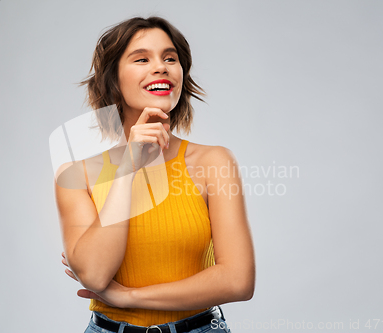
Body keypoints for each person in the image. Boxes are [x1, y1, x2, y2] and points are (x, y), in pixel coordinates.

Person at [54, 16, 255, 333]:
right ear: (113, 80)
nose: (161, 67)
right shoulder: (75, 174)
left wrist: (128, 296)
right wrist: (128, 167)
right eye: (142, 59)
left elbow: (238, 281)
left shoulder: (214, 161)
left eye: (170, 58)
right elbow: (94, 274)